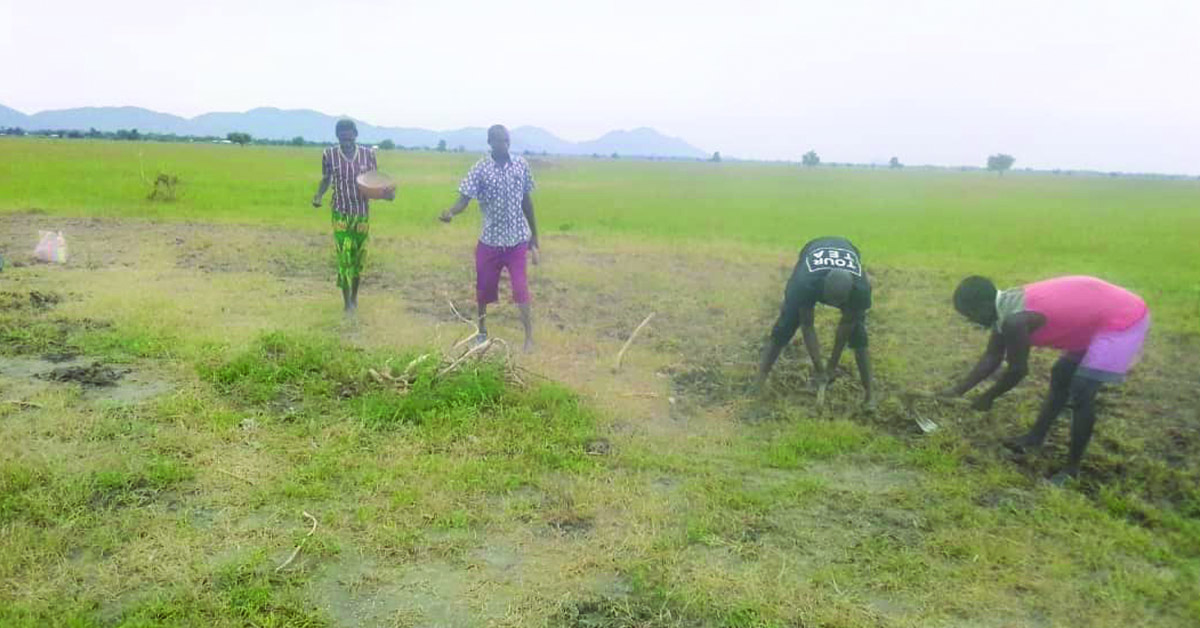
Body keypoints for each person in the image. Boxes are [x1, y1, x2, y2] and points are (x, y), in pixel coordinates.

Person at [942, 275, 1150, 484]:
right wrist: (957, 391)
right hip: (1094, 319)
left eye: (970, 315)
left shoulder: (1015, 320)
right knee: (1061, 374)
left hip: (1123, 318)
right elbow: (992, 356)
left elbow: (1018, 370)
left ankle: (1071, 470)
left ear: (984, 305)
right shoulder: (1004, 307)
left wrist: (988, 397)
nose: (972, 321)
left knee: (1082, 391)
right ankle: (1033, 439)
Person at [439, 125, 540, 352]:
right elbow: (464, 200)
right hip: (490, 241)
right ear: (490, 143)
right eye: (499, 140)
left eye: (506, 140)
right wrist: (451, 212)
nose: (504, 144)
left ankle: (529, 338)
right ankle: (482, 331)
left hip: (517, 240)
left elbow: (527, 202)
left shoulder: (521, 165)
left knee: (520, 288)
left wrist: (535, 239)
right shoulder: (480, 169)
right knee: (483, 289)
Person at [756, 236, 874, 408]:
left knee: (858, 334)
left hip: (847, 249)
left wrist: (832, 365)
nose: (834, 306)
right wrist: (819, 367)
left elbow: (845, 328)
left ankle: (870, 394)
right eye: (831, 300)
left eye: (840, 303)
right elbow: (807, 324)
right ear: (822, 288)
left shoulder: (860, 291)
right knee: (786, 325)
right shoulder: (804, 284)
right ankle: (759, 380)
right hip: (813, 249)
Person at [311, 119, 393, 313]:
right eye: (342, 138)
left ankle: (354, 298)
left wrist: (387, 194)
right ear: (337, 137)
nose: (346, 142)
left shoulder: (368, 155)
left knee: (358, 259)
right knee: (344, 256)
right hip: (340, 213)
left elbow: (374, 183)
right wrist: (318, 195)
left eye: (349, 138)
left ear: (355, 135)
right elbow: (326, 179)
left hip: (362, 215)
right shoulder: (329, 154)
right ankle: (347, 303)